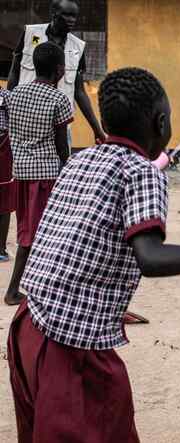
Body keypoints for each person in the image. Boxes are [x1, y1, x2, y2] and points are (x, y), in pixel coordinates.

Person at [7, 67, 180, 442]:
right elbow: (151, 258)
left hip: (28, 326)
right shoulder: (142, 172)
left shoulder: (79, 160)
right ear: (161, 122)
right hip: (69, 345)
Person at [4, 42, 73, 306]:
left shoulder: (15, 95)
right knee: (34, 235)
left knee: (28, 229)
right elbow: (61, 144)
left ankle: (39, 287)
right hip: (45, 176)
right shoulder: (58, 99)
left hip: (20, 174)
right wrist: (68, 170)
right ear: (58, 70)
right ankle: (13, 291)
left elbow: (12, 127)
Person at [7, 0, 106, 144]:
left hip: (60, 126)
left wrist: (97, 129)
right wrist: (8, 110)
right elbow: (14, 73)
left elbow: (79, 92)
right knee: (24, 165)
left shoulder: (78, 46)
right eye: (67, 15)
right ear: (53, 14)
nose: (72, 20)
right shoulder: (30, 33)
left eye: (74, 16)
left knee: (62, 164)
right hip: (25, 121)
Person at [0, 86, 16, 263]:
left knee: (4, 201)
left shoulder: (6, 96)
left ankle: (1, 248)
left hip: (4, 150)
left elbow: (15, 124)